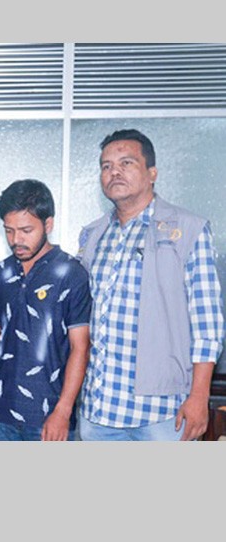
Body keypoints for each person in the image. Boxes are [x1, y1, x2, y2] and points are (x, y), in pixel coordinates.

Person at [76, 129, 224, 441]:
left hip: (162, 413)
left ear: (152, 173)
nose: (114, 172)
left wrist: (200, 396)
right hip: (98, 409)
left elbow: (207, 323)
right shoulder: (93, 235)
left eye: (126, 163)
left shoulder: (188, 229)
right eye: (106, 166)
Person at [0, 180, 91, 442]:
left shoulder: (71, 274)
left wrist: (63, 410)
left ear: (48, 224)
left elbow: (80, 347)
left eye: (26, 230)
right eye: (9, 231)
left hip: (49, 416)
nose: (16, 240)